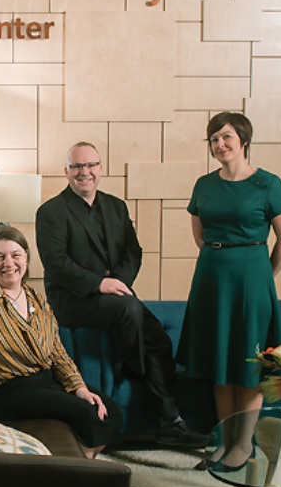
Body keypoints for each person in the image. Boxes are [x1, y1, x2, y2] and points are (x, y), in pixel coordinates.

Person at [35, 141, 206, 448]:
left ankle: (169, 423)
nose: (84, 172)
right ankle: (134, 365)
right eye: (77, 167)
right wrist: (100, 284)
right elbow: (56, 264)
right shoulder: (50, 212)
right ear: (66, 172)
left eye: (90, 166)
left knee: (159, 339)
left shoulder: (117, 206)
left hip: (118, 296)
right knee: (129, 311)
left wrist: (119, 281)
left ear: (100, 169)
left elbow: (133, 251)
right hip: (72, 301)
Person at [177, 112, 281, 470]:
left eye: (226, 137)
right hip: (211, 280)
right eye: (214, 139)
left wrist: (262, 277)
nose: (220, 144)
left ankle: (243, 445)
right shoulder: (203, 184)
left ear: (244, 139)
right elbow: (200, 235)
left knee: (247, 364)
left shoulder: (268, 183)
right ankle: (223, 441)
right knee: (219, 362)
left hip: (252, 281)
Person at [0, 226, 121, 458]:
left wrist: (79, 387)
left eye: (16, 255)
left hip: (42, 383)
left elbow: (57, 353)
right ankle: (80, 470)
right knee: (84, 413)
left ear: (26, 258)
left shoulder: (37, 300)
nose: (8, 263)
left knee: (111, 410)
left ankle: (83, 460)